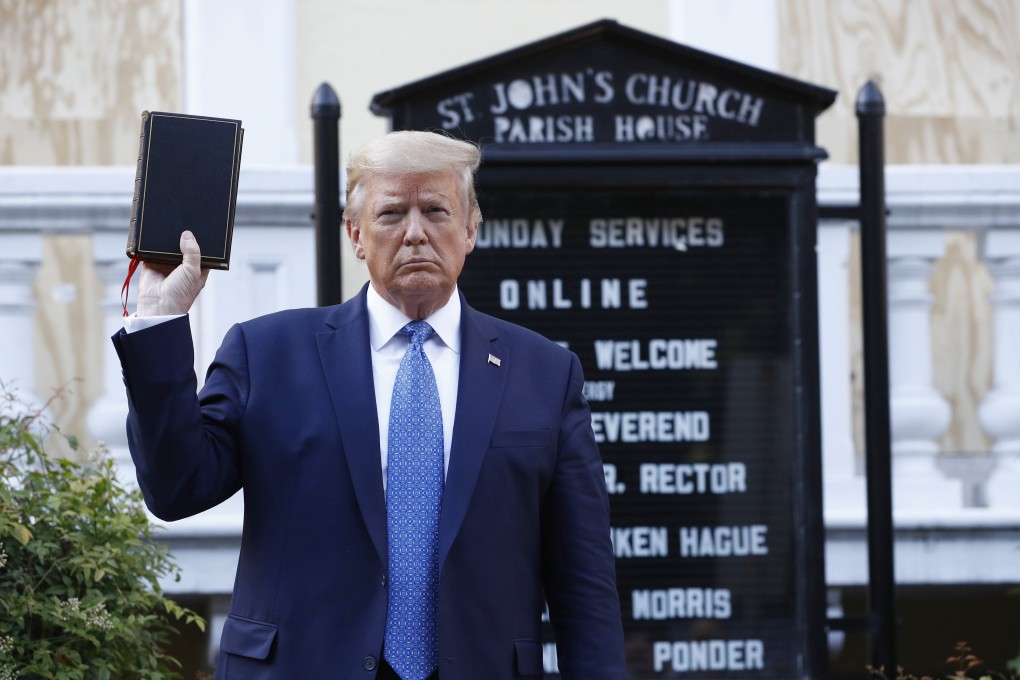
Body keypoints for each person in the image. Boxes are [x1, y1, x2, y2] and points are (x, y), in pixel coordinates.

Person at [113, 130, 626, 679]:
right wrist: (161, 322)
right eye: (390, 214)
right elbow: (175, 489)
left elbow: (584, 586)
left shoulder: (544, 373)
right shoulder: (267, 354)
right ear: (355, 235)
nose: (414, 234)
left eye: (435, 210)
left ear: (471, 229)